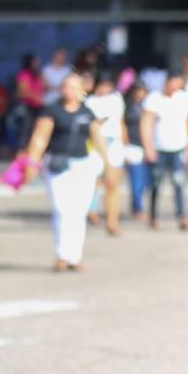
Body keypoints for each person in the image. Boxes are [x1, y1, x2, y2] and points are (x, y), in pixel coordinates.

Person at [21, 73, 109, 271]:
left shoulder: (88, 112)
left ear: (82, 91)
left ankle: (75, 256)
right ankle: (62, 253)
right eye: (66, 87)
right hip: (58, 164)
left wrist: (107, 163)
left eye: (74, 87)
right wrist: (32, 163)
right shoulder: (52, 111)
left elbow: (98, 139)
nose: (69, 91)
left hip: (82, 164)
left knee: (79, 211)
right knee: (62, 209)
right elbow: (40, 138)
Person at [140, 75, 188, 231]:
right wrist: (148, 147)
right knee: (156, 183)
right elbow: (146, 123)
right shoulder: (155, 99)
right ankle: (153, 215)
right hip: (160, 147)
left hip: (178, 146)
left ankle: (182, 215)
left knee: (179, 182)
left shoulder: (184, 99)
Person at [86, 73, 127, 235]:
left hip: (114, 142)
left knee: (113, 183)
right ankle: (91, 210)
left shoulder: (116, 99)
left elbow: (121, 122)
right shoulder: (90, 102)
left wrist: (124, 143)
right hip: (95, 144)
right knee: (94, 182)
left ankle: (112, 220)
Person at [123, 83, 150, 221]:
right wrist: (125, 144)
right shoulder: (127, 108)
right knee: (136, 180)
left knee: (145, 180)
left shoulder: (148, 108)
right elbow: (123, 126)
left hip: (146, 146)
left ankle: (137, 205)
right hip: (132, 145)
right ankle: (138, 208)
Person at [14, 53, 46, 147]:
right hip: (27, 107)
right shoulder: (24, 74)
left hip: (38, 107)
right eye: (35, 61)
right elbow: (22, 92)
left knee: (37, 131)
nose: (37, 63)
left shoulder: (39, 74)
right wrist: (36, 97)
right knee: (26, 131)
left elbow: (44, 87)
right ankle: (21, 153)